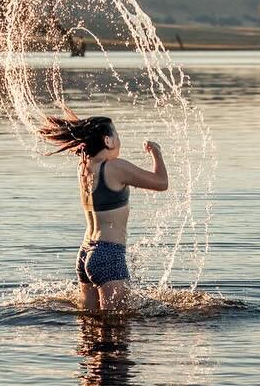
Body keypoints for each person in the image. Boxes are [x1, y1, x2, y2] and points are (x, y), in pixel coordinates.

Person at [38, 112, 168, 313]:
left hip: (85, 253)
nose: (119, 139)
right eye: (116, 134)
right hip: (108, 254)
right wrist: (157, 152)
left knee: (88, 321)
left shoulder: (84, 167)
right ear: (107, 140)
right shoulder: (115, 167)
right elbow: (161, 183)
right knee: (115, 326)